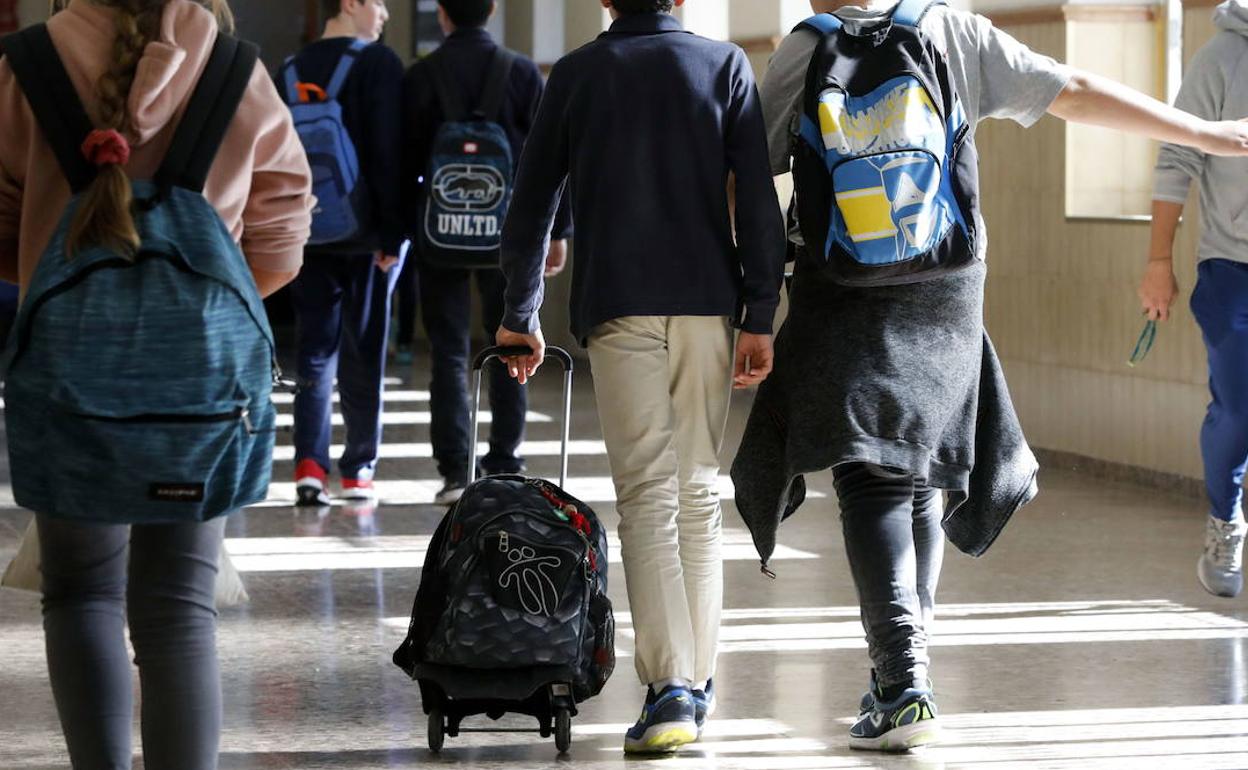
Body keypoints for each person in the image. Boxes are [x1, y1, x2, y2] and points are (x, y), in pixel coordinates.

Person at [732, 0, 1248, 753]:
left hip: (841, 285)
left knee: (870, 477)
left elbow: (749, 176)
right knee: (922, 472)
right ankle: (902, 675)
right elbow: (1069, 90)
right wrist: (1207, 135)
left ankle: (903, 679)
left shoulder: (803, 50)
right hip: (944, 285)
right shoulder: (951, 30)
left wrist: (747, 294)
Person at [0, 0, 313, 767]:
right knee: (178, 608)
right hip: (201, 385)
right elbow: (284, 236)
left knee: (77, 595)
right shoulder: (235, 70)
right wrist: (193, 312)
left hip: (67, 377)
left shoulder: (25, 64)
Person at [495, 0, 785, 754]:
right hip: (708, 305)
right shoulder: (723, 65)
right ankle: (695, 676)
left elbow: (532, 203)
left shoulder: (581, 74)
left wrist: (519, 312)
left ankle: (672, 688)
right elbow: (757, 195)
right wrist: (760, 308)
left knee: (650, 496)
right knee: (695, 491)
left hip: (619, 302)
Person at [401, 0, 572, 505]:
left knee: (449, 354)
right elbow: (549, 162)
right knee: (513, 345)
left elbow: (401, 162)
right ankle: (505, 461)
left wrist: (397, 233)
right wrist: (556, 232)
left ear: (444, 15)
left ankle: (456, 471)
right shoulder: (521, 72)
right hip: (510, 236)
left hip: (440, 235)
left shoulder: (422, 76)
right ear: (493, 10)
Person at [1142, 0, 1248, 599]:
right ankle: (1224, 518)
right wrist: (1160, 262)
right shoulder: (1221, 59)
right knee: (1239, 407)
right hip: (1234, 266)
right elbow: (1176, 158)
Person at [283, 0, 405, 507]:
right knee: (365, 347)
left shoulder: (286, 71)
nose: (384, 14)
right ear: (351, 3)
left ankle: (309, 467)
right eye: (378, 2)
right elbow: (390, 153)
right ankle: (358, 470)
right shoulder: (379, 64)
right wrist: (393, 236)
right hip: (366, 234)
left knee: (313, 346)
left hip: (306, 230)